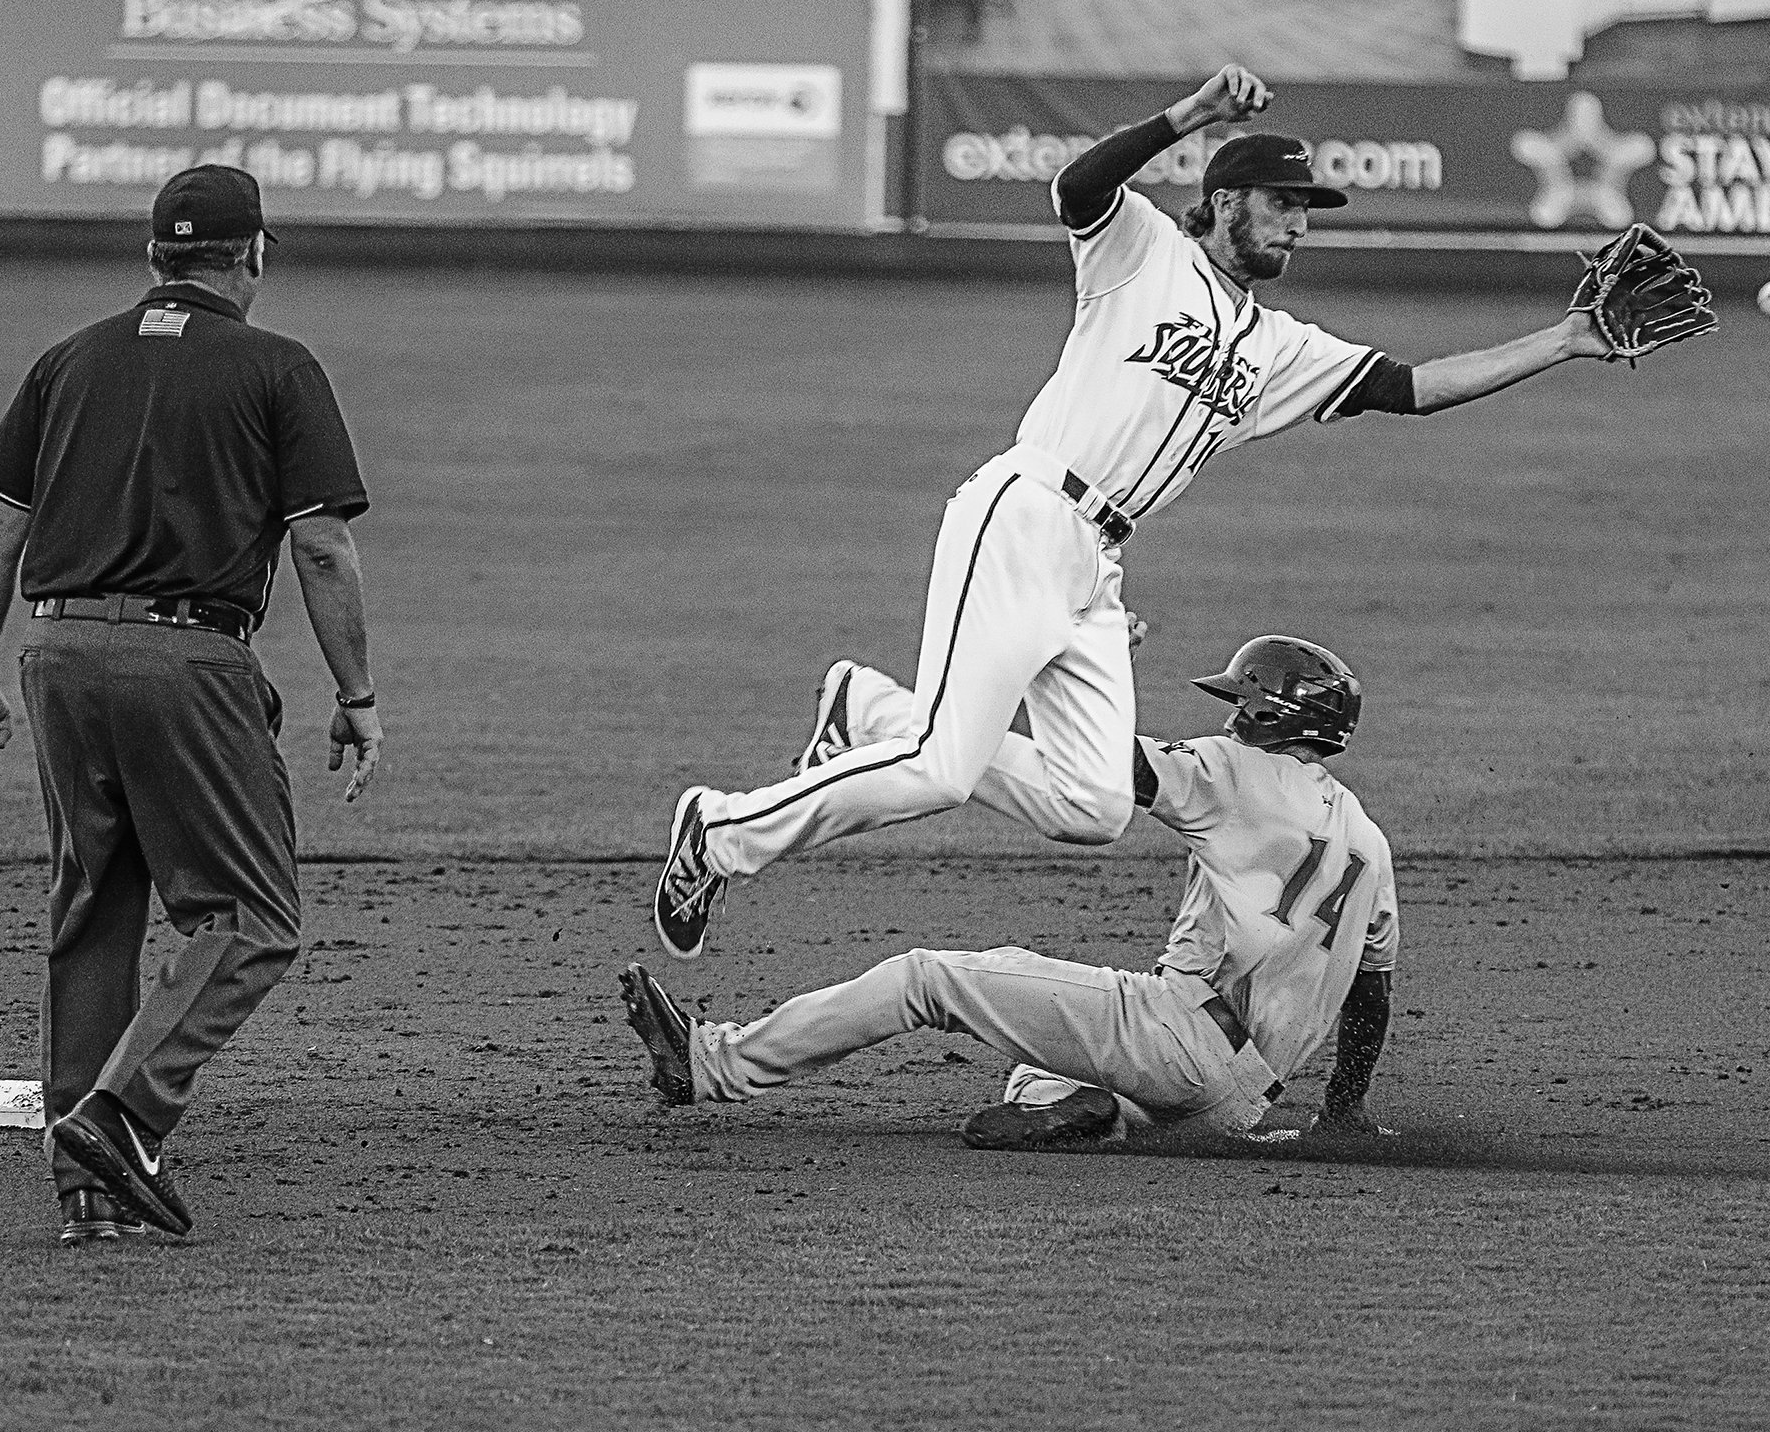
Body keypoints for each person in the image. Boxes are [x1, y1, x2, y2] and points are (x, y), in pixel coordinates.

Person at [652, 63, 1625, 962]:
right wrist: (1189, 117)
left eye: (1307, 211)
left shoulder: (1280, 346)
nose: (1298, 224)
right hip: (1027, 512)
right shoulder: (1142, 253)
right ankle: (724, 829)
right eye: (1284, 205)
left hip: (1095, 567)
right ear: (1230, 198)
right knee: (941, 769)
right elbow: (1078, 186)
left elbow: (1413, 386)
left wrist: (1566, 339)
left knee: (1090, 802)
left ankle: (865, 706)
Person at [0, 165, 380, 1244]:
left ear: (154, 256)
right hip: (185, 661)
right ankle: (121, 1115)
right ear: (256, 255)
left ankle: (84, 1188)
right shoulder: (278, 364)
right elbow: (321, 542)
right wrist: (357, 692)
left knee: (94, 906)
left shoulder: (69, 359)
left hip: (56, 654)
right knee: (251, 917)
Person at [622, 630, 1399, 1152]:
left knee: (925, 979)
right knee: (1050, 1053)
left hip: (1171, 1036)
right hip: (1237, 1107)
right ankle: (1080, 1109)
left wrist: (1072, 654)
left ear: (1268, 714)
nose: (1230, 718)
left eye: (1239, 704)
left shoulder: (1233, 772)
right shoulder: (1368, 842)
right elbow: (1371, 993)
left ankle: (713, 1064)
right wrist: (1343, 1111)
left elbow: (1088, 769)